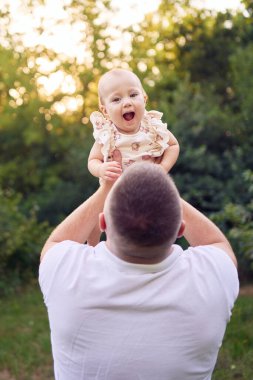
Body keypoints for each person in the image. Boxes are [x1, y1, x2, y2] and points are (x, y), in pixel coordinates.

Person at [39, 161, 239, 380]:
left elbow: (56, 241)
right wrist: (158, 182)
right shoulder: (214, 275)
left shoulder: (65, 269)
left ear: (103, 222)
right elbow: (217, 243)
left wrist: (106, 188)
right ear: (181, 229)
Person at [87, 68, 179, 245]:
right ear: (105, 110)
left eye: (133, 95)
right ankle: (92, 246)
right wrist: (101, 169)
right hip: (114, 187)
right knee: (98, 213)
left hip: (148, 186)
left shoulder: (152, 126)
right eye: (116, 99)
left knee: (161, 215)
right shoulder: (108, 134)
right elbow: (92, 160)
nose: (127, 103)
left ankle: (159, 248)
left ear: (144, 98)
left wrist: (162, 168)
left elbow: (173, 146)